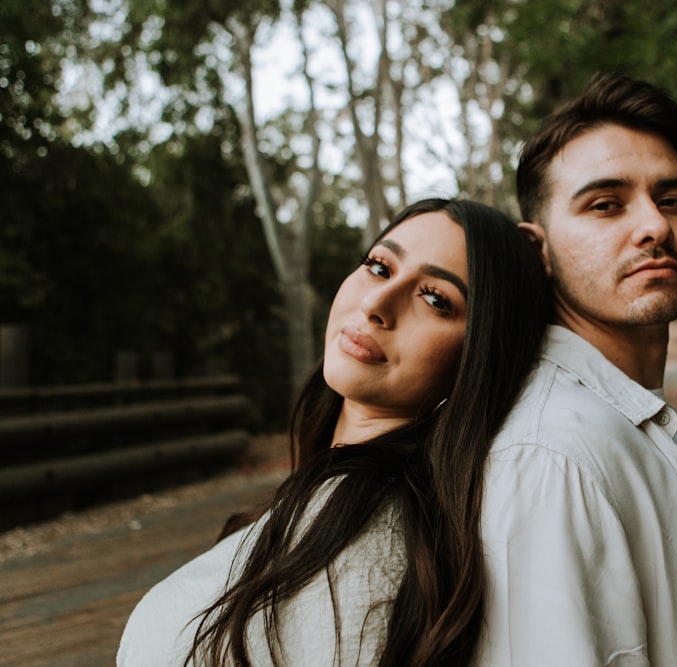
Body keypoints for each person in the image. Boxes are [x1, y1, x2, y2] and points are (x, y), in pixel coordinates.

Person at [117, 198, 550, 666]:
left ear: (477, 360)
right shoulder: (324, 496)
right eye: (380, 267)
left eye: (435, 299)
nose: (376, 304)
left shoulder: (380, 561)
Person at [474, 73, 677, 666]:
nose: (655, 227)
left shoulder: (649, 418)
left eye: (674, 200)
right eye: (605, 205)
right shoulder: (550, 458)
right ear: (535, 250)